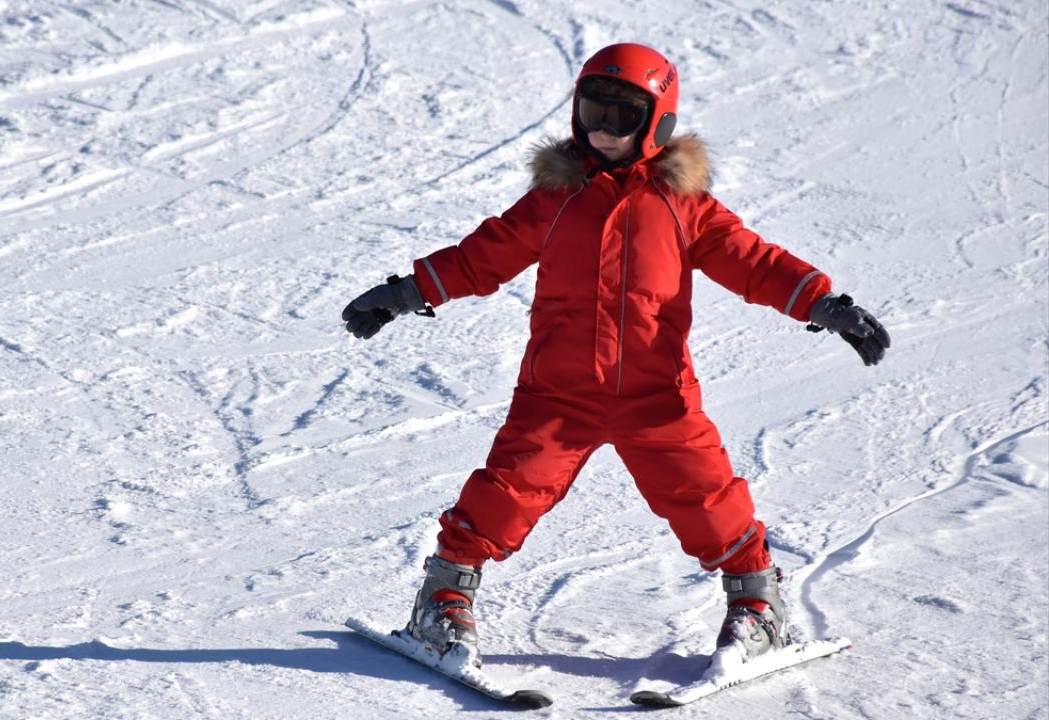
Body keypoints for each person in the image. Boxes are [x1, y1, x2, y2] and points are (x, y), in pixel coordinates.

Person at [341, 43, 890, 664]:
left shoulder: (686, 208)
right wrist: (403, 293)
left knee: (707, 497)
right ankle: (441, 598)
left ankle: (756, 604)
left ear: (657, 124)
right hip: (558, 393)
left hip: (659, 397)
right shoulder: (556, 199)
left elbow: (753, 262)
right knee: (505, 492)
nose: (602, 131)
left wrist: (820, 302)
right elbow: (481, 256)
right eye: (592, 113)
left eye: (621, 119)